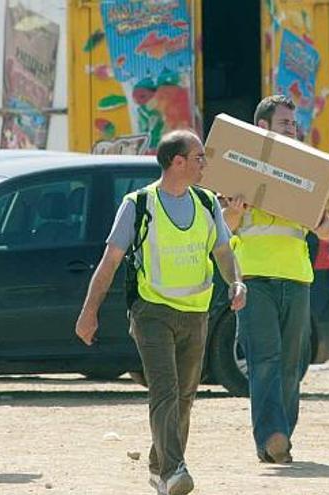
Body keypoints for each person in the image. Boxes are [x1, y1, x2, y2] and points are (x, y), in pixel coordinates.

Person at [76, 130, 246, 495]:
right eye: (199, 157)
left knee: (185, 396)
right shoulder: (138, 205)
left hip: (196, 313)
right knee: (165, 391)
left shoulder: (206, 203)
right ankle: (174, 469)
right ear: (177, 162)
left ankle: (158, 465)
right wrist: (89, 311)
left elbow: (223, 251)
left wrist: (236, 282)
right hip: (151, 311)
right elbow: (110, 262)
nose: (205, 164)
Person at [221, 95, 329, 464]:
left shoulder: (306, 172)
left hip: (296, 278)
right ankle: (272, 435)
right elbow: (224, 226)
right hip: (254, 278)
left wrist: (320, 223)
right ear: (263, 128)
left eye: (294, 123)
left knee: (291, 363)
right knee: (265, 361)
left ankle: (279, 435)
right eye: (286, 123)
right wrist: (235, 211)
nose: (294, 128)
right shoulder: (239, 168)